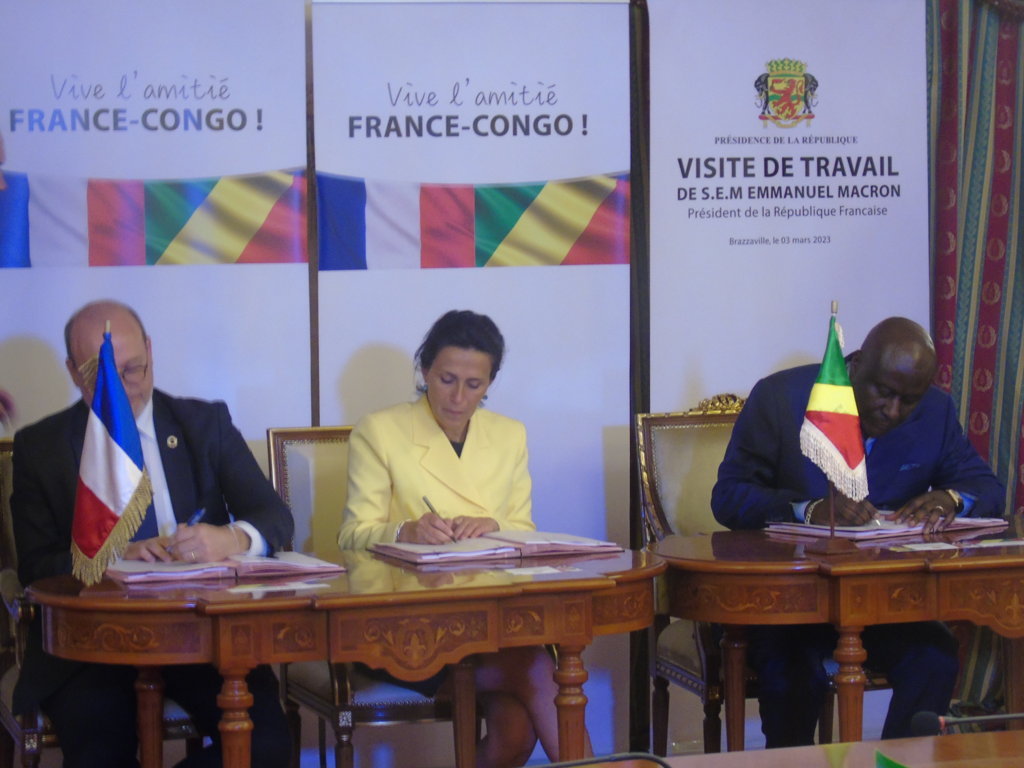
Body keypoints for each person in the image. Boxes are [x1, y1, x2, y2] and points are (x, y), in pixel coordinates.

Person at [10, 299, 294, 768]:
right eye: (101, 376)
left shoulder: (204, 424)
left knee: (265, 748)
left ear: (150, 351)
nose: (122, 389)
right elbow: (36, 567)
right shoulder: (41, 447)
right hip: (91, 646)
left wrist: (231, 539)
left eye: (133, 370)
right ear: (73, 372)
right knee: (101, 754)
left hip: (202, 635)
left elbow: (274, 516)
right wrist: (115, 554)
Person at [711, 316, 1005, 748]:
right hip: (788, 603)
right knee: (794, 676)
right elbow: (728, 497)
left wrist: (951, 498)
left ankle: (897, 762)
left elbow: (988, 488)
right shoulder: (780, 398)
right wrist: (809, 509)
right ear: (857, 365)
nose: (893, 410)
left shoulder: (936, 412)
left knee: (935, 656)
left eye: (908, 400)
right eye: (883, 392)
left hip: (879, 603)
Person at [338, 309, 591, 768]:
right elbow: (352, 537)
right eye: (446, 380)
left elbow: (525, 533)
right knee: (537, 668)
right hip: (403, 627)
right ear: (424, 371)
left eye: (474, 385)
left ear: (490, 382)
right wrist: (405, 530)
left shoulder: (509, 434)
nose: (458, 398)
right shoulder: (381, 430)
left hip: (492, 618)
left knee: (514, 732)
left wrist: (495, 526)